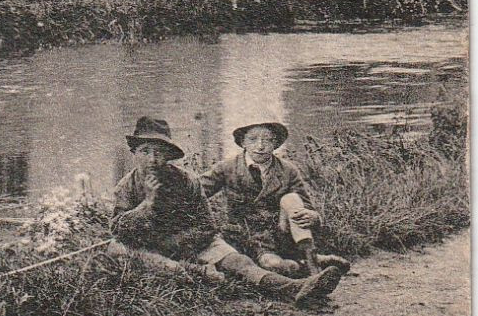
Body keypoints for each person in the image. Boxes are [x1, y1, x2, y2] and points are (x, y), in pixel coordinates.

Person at [110, 116, 341, 305]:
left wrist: (181, 243)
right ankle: (201, 272)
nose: (152, 159)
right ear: (135, 153)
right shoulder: (126, 187)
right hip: (151, 248)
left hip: (191, 242)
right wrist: (147, 204)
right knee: (156, 262)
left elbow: (206, 226)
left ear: (169, 156)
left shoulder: (187, 180)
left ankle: (295, 288)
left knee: (240, 262)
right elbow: (119, 232)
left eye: (160, 152)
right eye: (145, 151)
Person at [200, 120, 352, 280]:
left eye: (267, 140)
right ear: (243, 142)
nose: (260, 146)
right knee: (275, 266)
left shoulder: (288, 170)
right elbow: (196, 191)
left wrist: (313, 217)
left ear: (275, 144)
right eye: (253, 139)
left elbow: (306, 205)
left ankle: (312, 262)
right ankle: (305, 265)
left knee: (291, 199)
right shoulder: (227, 168)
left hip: (282, 235)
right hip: (248, 237)